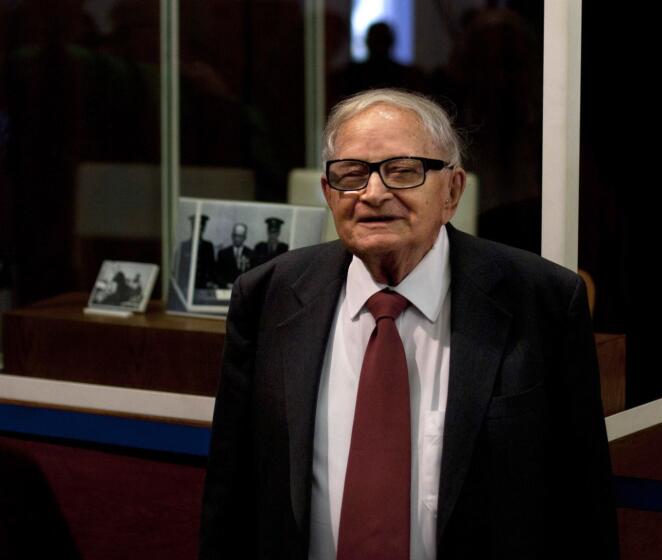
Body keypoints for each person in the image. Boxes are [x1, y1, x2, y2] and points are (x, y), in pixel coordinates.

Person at [200, 89, 618, 559]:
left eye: (402, 171)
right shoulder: (268, 296)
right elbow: (230, 497)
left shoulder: (542, 301)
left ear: (452, 191)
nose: (373, 194)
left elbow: (584, 507)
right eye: (351, 175)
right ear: (328, 192)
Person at [216, 223, 253, 288]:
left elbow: (253, 276)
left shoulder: (251, 254)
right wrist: (226, 284)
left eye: (241, 236)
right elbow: (217, 275)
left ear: (245, 237)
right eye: (236, 235)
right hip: (226, 291)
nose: (238, 238)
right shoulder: (223, 254)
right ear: (232, 236)